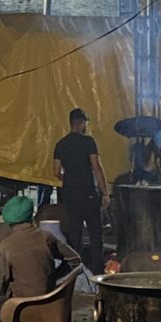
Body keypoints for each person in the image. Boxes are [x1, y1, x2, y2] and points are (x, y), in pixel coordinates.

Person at [0, 195, 82, 301]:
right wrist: (53, 277)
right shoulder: (46, 237)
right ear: (31, 215)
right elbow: (74, 260)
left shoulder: (4, 248)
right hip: (50, 305)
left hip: (20, 310)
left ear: (8, 221)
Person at [53, 107, 109, 274]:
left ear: (70, 123)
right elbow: (96, 167)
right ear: (82, 123)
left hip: (70, 193)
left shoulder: (60, 144)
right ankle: (97, 270)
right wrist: (105, 192)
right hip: (88, 192)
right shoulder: (88, 142)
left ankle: (76, 270)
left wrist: (69, 180)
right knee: (94, 232)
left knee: (75, 232)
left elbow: (55, 172)